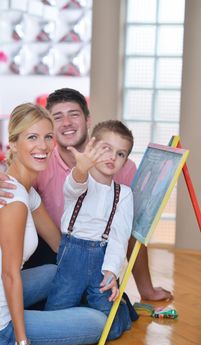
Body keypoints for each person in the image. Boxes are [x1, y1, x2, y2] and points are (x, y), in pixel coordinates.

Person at [0, 88, 172, 301]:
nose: (67, 123)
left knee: (114, 306)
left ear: (88, 119)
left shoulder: (121, 167)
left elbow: (131, 233)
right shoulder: (41, 160)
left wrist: (146, 289)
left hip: (96, 254)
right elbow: (12, 174)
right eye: (57, 117)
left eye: (73, 114)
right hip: (44, 252)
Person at [0, 103, 110, 345]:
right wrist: (21, 341)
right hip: (2, 322)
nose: (42, 146)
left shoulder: (26, 191)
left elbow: (60, 245)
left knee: (54, 271)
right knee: (98, 322)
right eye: (32, 137)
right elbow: (9, 274)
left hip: (5, 287)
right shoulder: (13, 199)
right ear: (13, 144)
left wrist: (104, 272)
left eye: (48, 137)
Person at [45, 120, 134, 339]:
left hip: (101, 261)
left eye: (121, 154)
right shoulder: (80, 180)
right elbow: (75, 185)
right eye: (106, 149)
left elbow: (119, 238)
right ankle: (80, 316)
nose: (113, 157)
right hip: (71, 256)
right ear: (91, 149)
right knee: (55, 312)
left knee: (111, 328)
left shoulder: (124, 194)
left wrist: (111, 271)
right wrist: (81, 168)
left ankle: (119, 310)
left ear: (125, 161)